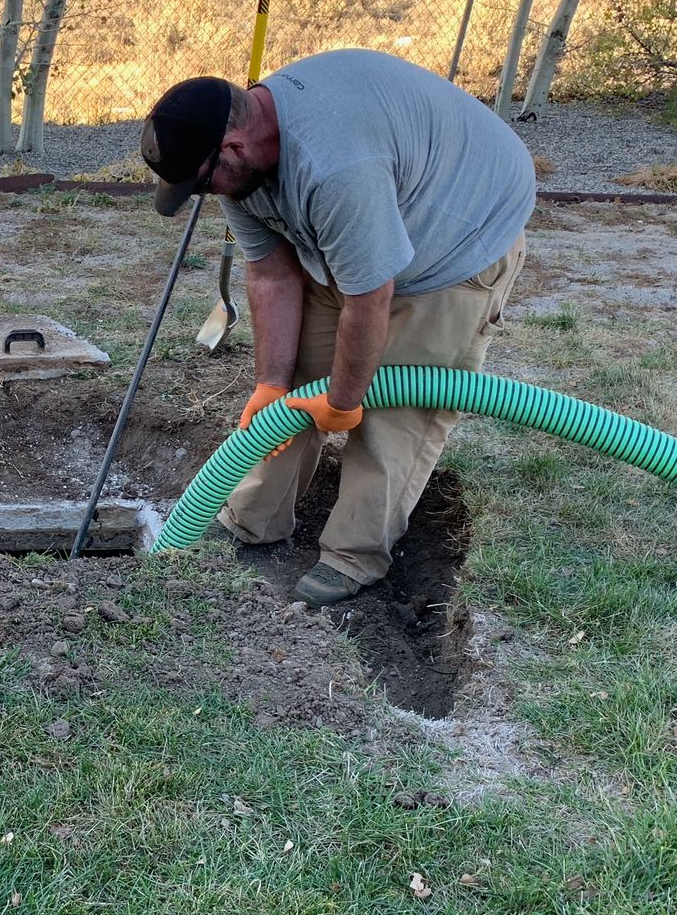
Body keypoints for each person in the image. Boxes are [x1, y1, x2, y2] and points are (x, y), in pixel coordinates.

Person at [139, 48, 535, 606]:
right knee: (298, 381)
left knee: (394, 408)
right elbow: (273, 275)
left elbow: (369, 297)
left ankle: (354, 553)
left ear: (232, 147)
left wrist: (345, 400)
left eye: (203, 185)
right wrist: (273, 384)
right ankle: (254, 518)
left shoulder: (334, 165)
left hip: (458, 235)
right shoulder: (240, 165)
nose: (207, 197)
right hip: (361, 227)